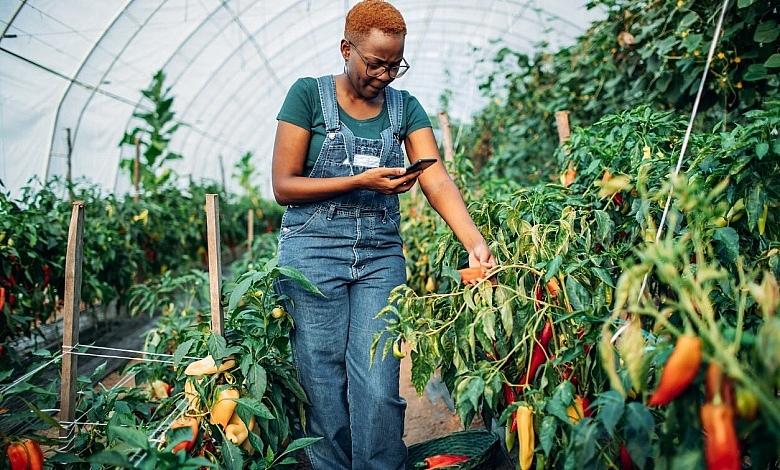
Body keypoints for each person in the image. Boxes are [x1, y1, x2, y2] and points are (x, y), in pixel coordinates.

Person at [271, 1, 495, 468]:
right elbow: (284, 185)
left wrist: (473, 241)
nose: (386, 75)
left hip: (378, 255)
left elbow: (436, 178)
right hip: (312, 255)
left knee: (378, 380)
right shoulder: (308, 96)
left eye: (396, 65)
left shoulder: (404, 107)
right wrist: (361, 180)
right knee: (322, 382)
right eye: (375, 63)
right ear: (345, 49)